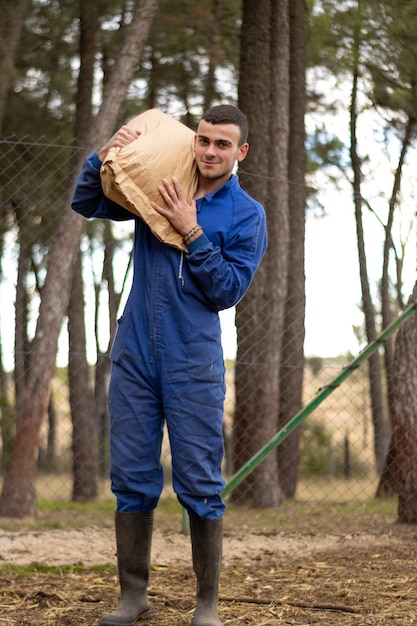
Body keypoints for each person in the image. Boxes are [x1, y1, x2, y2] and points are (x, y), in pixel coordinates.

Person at [71, 104, 267, 626]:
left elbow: (227, 290)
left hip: (192, 360)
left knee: (200, 482)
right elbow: (86, 202)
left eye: (222, 144)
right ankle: (133, 597)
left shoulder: (246, 214)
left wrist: (192, 231)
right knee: (132, 477)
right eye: (203, 140)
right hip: (135, 354)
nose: (208, 151)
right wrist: (103, 155)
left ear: (240, 152)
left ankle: (207, 604)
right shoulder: (163, 182)